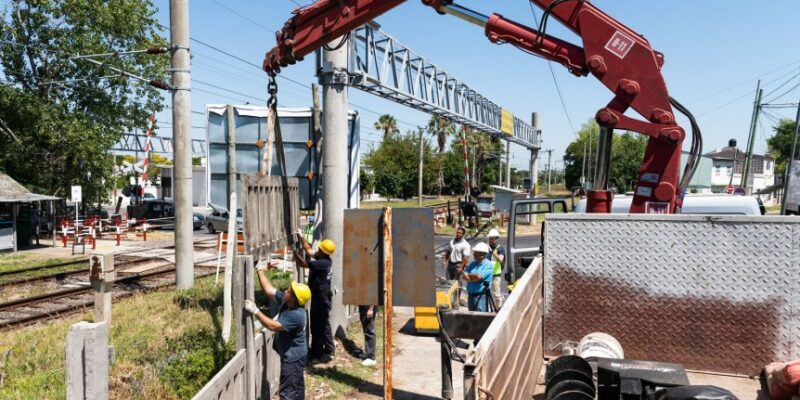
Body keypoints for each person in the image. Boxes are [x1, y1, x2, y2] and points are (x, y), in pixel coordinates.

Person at [243, 262, 311, 400]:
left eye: (289, 291)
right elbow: (269, 290)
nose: (286, 290)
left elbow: (273, 326)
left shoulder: (297, 315)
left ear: (295, 299)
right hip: (295, 355)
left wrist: (256, 311)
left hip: (293, 359)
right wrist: (259, 269)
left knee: (287, 393)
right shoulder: (287, 302)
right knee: (296, 389)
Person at [294, 231, 336, 362]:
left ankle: (317, 353)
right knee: (324, 323)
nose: (317, 249)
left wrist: (294, 252)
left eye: (320, 248)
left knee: (318, 324)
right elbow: (308, 250)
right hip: (323, 295)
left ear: (324, 251)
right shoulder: (324, 258)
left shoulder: (323, 263)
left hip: (321, 297)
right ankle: (329, 349)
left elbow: (303, 264)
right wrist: (301, 237)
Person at [462, 242, 494, 312]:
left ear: (482, 255)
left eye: (475, 252)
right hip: (471, 295)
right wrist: (474, 278)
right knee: (471, 318)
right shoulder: (473, 263)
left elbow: (478, 277)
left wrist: (470, 276)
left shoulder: (488, 265)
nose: (473, 254)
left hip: (481, 297)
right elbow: (464, 275)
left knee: (481, 319)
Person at [486, 229, 506, 309]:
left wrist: (493, 252)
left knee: (496, 294)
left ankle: (499, 309)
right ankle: (489, 308)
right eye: (490, 238)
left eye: (493, 238)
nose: (491, 240)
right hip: (487, 274)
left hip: (496, 274)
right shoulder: (487, 248)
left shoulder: (500, 248)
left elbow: (500, 259)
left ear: (497, 239)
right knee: (487, 293)